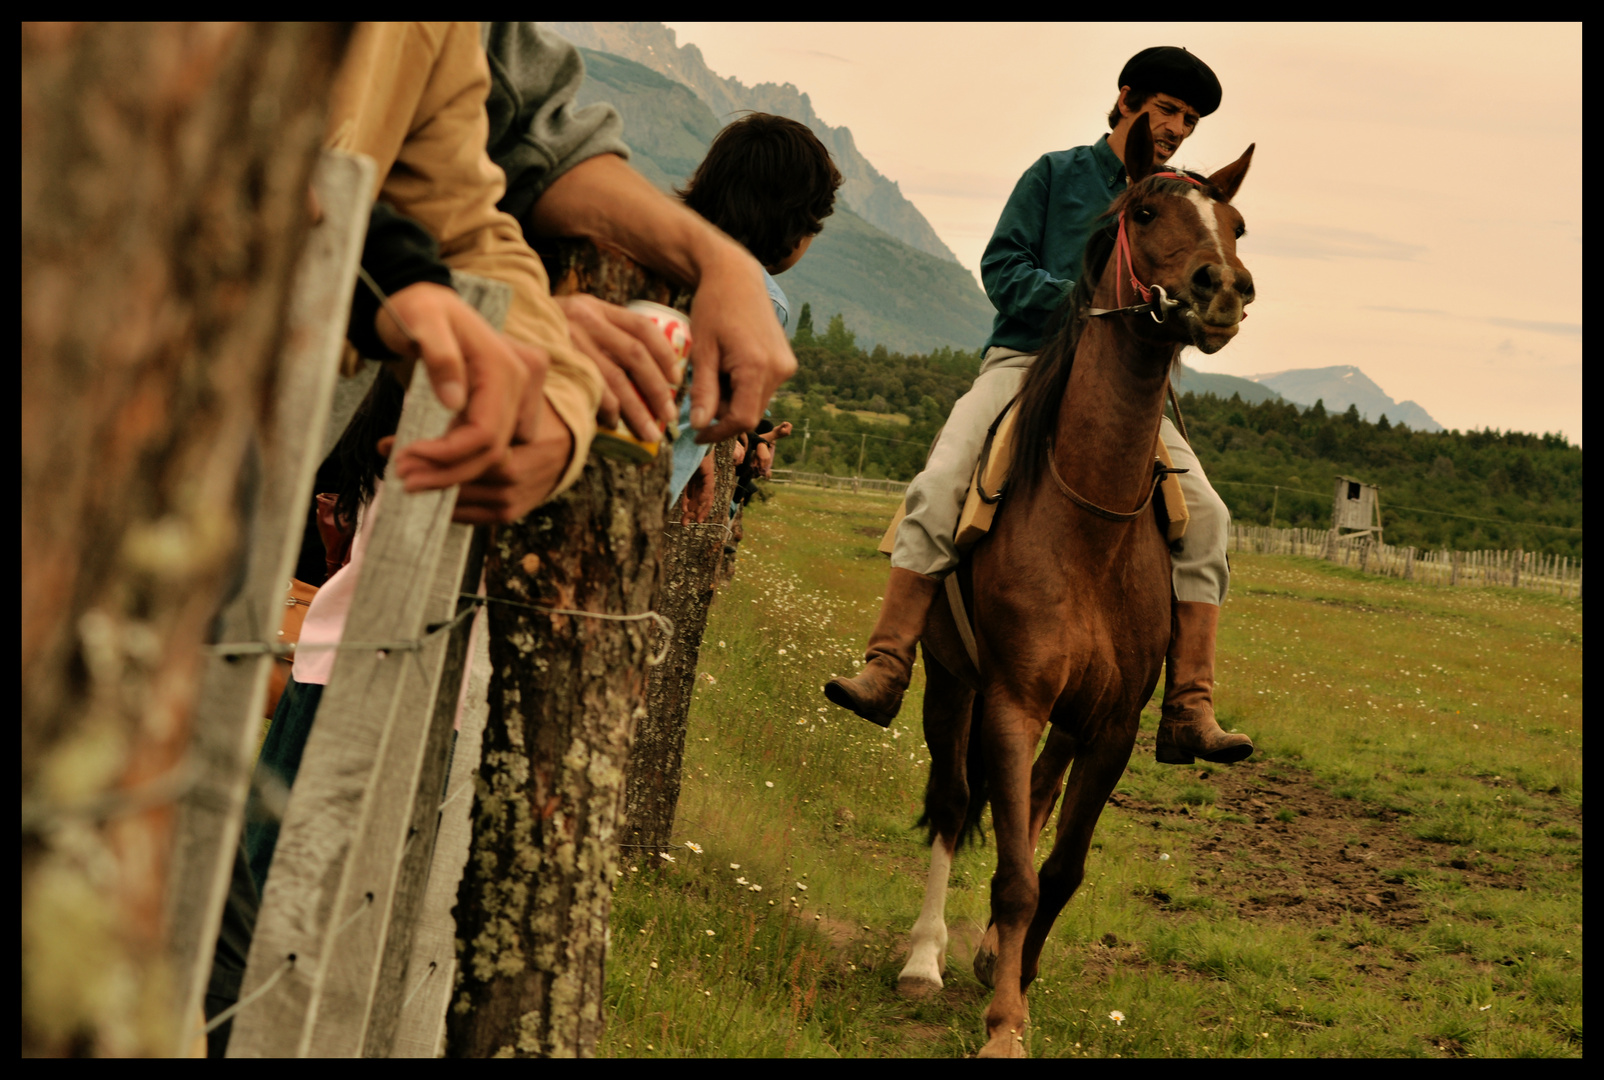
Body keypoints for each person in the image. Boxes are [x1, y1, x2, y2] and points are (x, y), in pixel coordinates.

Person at [824, 46, 1254, 768]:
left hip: (1120, 391)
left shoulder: (1176, 204)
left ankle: (1188, 704)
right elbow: (1003, 264)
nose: (1179, 127)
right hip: (1026, 361)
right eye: (1169, 110)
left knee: (1209, 515)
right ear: (1126, 99)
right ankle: (890, 661)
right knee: (940, 482)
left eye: (1190, 118)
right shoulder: (1055, 174)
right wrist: (1083, 304)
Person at [480, 24, 808, 504]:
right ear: (798, 223)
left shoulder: (641, 250)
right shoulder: (758, 297)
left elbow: (534, 149)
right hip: (594, 489)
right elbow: (687, 420)